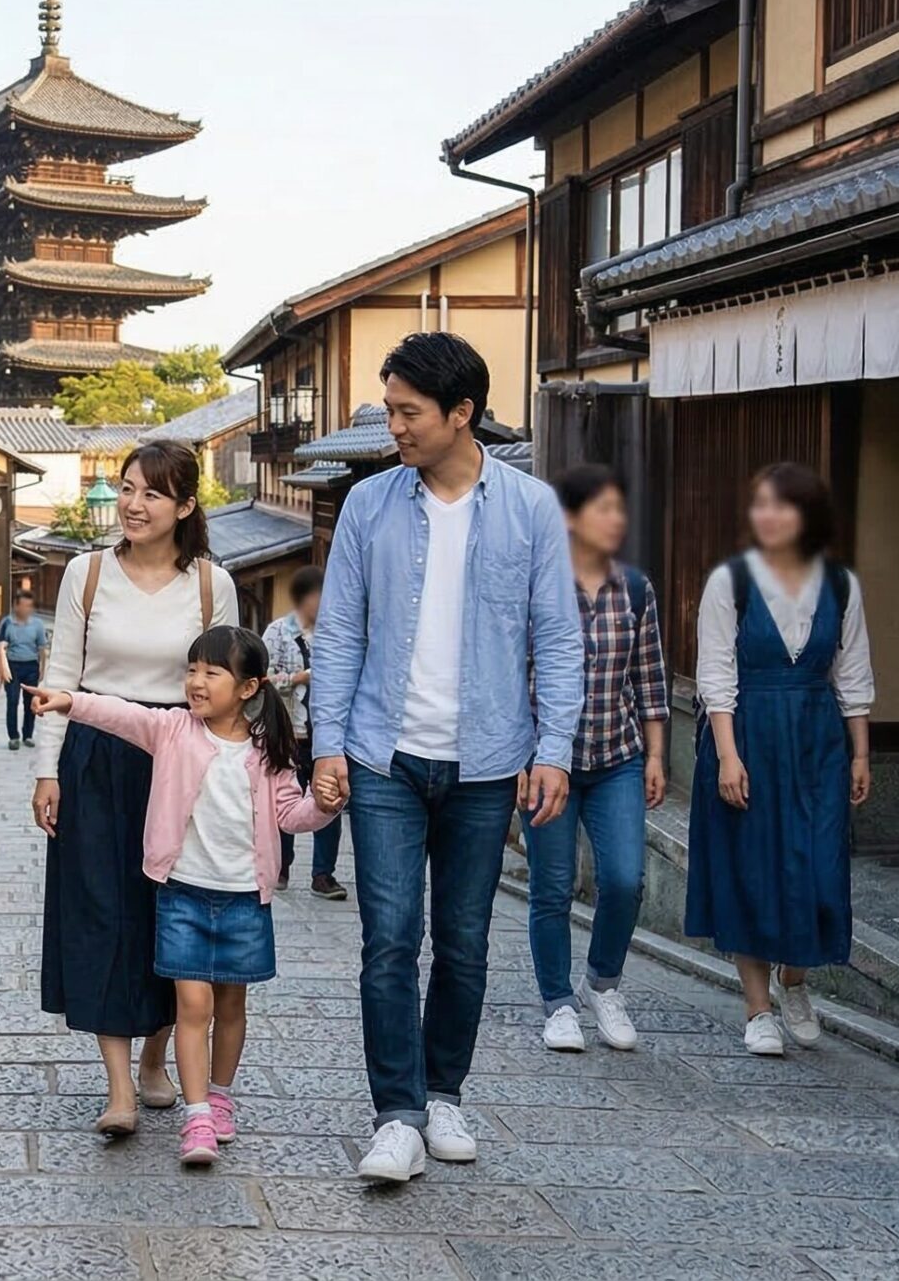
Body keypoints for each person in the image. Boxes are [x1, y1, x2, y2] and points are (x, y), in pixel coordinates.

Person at [307, 333, 581, 1185]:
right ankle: (396, 1114)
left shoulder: (532, 508)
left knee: (463, 940)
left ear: (462, 414)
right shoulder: (368, 506)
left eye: (406, 411)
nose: (392, 425)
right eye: (389, 409)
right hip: (385, 752)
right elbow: (341, 632)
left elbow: (558, 638)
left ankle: (444, 1090)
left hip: (489, 759)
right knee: (389, 938)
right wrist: (328, 745)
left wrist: (553, 749)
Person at [29, 626, 342, 1168]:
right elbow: (123, 715)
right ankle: (196, 1115)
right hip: (183, 896)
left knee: (232, 1006)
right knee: (192, 1004)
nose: (195, 682)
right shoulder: (173, 729)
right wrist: (71, 702)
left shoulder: (270, 753)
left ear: (248, 687)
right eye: (191, 670)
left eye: (210, 673)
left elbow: (292, 815)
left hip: (246, 901)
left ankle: (220, 1096)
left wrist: (326, 806)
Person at [34, 440, 239, 1135]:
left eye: (152, 493)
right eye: (125, 489)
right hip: (94, 753)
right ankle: (119, 1085)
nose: (132, 504)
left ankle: (157, 1058)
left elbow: (225, 689)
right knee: (100, 911)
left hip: (179, 755)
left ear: (185, 505)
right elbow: (61, 672)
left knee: (170, 914)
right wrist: (45, 769)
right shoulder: (86, 573)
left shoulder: (212, 584)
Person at [688, 462, 874, 1058]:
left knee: (821, 867)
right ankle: (757, 1009)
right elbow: (715, 672)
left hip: (818, 738)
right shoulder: (731, 582)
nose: (767, 516)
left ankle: (794, 978)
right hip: (748, 730)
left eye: (782, 506)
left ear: (808, 517)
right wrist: (726, 756)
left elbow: (852, 673)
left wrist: (861, 753)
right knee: (752, 866)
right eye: (760, 505)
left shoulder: (841, 585)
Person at [527, 464, 669, 1054]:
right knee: (552, 887)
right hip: (547, 761)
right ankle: (558, 1001)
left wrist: (658, 753)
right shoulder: (537, 586)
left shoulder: (635, 589)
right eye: (603, 508)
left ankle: (601, 983)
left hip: (617, 757)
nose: (617, 520)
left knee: (624, 879)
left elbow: (651, 678)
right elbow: (514, 677)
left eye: (619, 508)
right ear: (569, 517)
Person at [264, 565, 345, 900]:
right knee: (284, 797)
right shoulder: (278, 632)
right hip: (290, 729)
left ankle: (323, 874)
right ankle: (281, 865)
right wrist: (300, 678)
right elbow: (262, 680)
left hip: (327, 734)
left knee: (330, 798)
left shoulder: (337, 633)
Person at [0, 591, 51, 750]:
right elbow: (0, 646)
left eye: (30, 606)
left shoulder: (37, 625)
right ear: (16, 606)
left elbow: (41, 648)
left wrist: (42, 669)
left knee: (30, 702)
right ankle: (13, 736)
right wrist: (1, 666)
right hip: (12, 665)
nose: (27, 609)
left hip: (31, 665)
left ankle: (28, 734)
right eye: (24, 605)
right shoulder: (7, 623)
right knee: (12, 701)